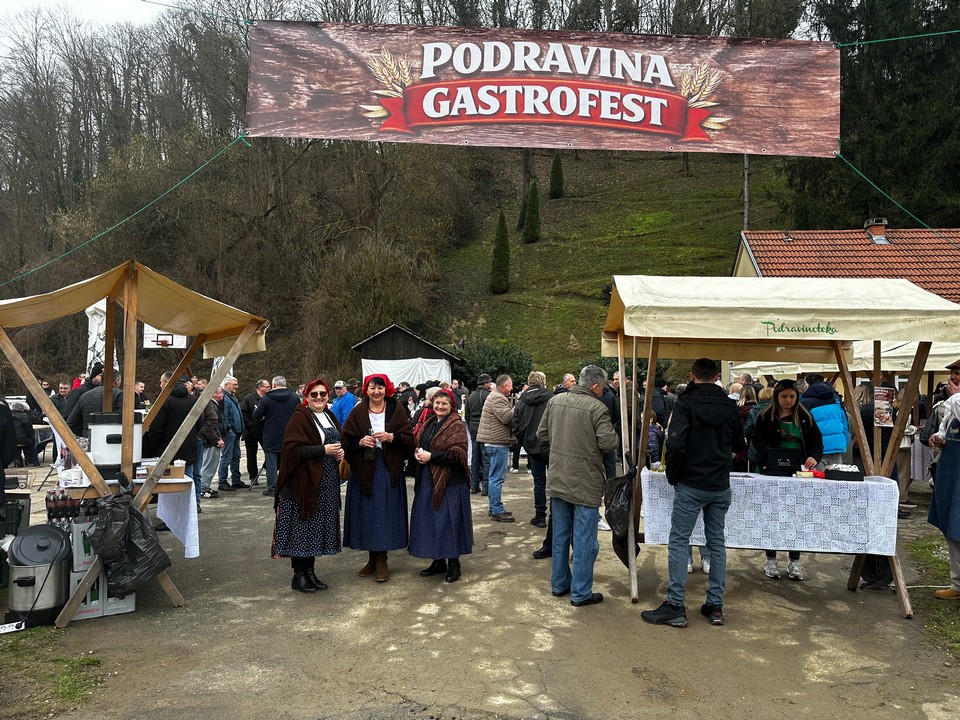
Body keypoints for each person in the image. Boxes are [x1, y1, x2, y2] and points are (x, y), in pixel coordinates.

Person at [642, 358, 744, 628]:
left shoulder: (685, 404)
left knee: (679, 540)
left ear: (692, 376)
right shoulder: (729, 405)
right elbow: (738, 444)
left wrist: (673, 475)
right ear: (716, 376)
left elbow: (675, 443)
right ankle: (715, 605)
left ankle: (676, 604)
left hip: (691, 482)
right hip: (719, 483)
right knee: (716, 543)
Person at [537, 365, 618, 607]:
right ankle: (581, 592)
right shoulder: (597, 408)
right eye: (602, 388)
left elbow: (542, 434)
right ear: (594, 386)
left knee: (560, 535)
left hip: (558, 477)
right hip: (585, 481)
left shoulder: (555, 401)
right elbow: (608, 444)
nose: (603, 392)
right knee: (584, 539)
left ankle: (559, 584)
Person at [272, 378, 345, 593]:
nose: (319, 398)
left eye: (323, 394)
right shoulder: (300, 417)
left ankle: (310, 572)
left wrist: (339, 453)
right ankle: (299, 575)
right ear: (307, 397)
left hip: (326, 481)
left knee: (314, 527)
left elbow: (336, 443)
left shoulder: (330, 416)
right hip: (303, 483)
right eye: (314, 394)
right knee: (301, 528)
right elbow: (292, 451)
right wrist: (324, 450)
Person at [749, 378, 823, 581]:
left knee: (795, 516)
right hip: (771, 470)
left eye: (792, 396)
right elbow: (757, 439)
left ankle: (795, 561)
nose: (788, 400)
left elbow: (817, 442)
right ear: (776, 397)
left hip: (798, 471)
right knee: (771, 514)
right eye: (784, 396)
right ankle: (771, 559)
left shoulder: (806, 417)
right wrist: (771, 453)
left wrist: (814, 457)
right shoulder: (765, 416)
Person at [341, 374, 413, 583]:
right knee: (368, 514)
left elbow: (409, 439)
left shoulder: (396, 409)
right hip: (364, 468)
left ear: (386, 389)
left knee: (383, 513)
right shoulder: (358, 411)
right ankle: (372, 558)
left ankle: (382, 559)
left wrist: (392, 437)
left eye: (380, 388)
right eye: (372, 387)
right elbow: (346, 440)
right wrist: (359, 441)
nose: (376, 392)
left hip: (387, 467)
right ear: (366, 390)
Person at [409, 388, 473, 583]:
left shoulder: (456, 425)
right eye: (437, 403)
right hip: (429, 479)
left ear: (451, 405)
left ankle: (454, 564)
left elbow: (458, 454)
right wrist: (418, 454)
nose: (440, 406)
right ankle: (438, 561)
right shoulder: (429, 423)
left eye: (444, 403)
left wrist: (432, 457)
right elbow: (421, 444)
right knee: (432, 521)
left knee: (450, 522)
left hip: (450, 481)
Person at [926, 358, 960, 600]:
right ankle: (957, 585)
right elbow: (946, 428)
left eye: (959, 374)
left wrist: (956, 396)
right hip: (951, 473)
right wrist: (939, 439)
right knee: (951, 528)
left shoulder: (956, 400)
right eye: (954, 373)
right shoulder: (952, 404)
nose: (953, 378)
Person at [512, 371, 552, 527]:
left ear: (529, 382)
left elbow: (515, 424)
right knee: (555, 482)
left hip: (532, 445)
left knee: (539, 482)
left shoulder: (521, 401)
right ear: (543, 381)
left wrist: (524, 441)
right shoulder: (551, 398)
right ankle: (555, 515)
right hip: (550, 444)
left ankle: (540, 515)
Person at [254, 376, 301, 497]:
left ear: (274, 385)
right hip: (290, 433)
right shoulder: (295, 397)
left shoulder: (266, 398)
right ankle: (291, 486)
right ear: (285, 384)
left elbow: (257, 415)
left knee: (271, 463)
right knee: (290, 460)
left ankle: (272, 488)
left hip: (271, 434)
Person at [477, 374, 515, 522]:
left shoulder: (495, 396)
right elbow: (506, 418)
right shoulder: (498, 398)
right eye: (510, 385)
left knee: (494, 476)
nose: (511, 388)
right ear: (504, 386)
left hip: (494, 441)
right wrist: (517, 408)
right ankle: (497, 510)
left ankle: (494, 507)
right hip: (497, 442)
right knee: (497, 477)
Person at [800, 373, 850, 469]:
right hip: (837, 445)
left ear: (808, 385)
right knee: (836, 476)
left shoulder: (804, 402)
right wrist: (844, 441)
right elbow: (844, 422)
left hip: (816, 450)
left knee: (817, 477)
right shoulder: (836, 399)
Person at [218, 377, 247, 491]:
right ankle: (222, 481)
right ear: (227, 385)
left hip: (236, 432)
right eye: (234, 384)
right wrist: (229, 429)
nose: (237, 386)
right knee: (226, 457)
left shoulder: (232, 396)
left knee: (236, 457)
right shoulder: (224, 398)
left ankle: (236, 480)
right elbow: (224, 415)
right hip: (230, 433)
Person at [465, 374, 492, 495]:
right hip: (485, 427)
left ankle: (474, 486)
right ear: (485, 383)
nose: (490, 384)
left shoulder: (470, 396)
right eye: (489, 382)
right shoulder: (488, 396)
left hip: (473, 427)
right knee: (486, 457)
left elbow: (467, 415)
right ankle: (486, 487)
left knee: (475, 457)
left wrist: (471, 425)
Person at [240, 379, 270, 484]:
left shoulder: (269, 398)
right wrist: (250, 424)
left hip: (265, 430)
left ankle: (268, 471)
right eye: (267, 386)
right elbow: (243, 413)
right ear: (260, 387)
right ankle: (253, 476)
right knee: (251, 455)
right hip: (251, 431)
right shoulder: (248, 398)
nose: (269, 388)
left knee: (269, 452)